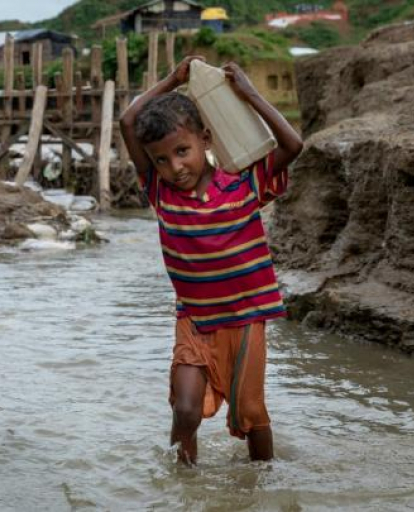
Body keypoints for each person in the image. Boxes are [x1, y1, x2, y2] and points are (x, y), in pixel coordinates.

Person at [119, 56, 303, 465]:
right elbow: (128, 122)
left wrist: (248, 94)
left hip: (245, 320)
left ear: (206, 139)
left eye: (182, 151)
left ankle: (263, 483)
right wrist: (171, 78)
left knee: (251, 414)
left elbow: (293, 144)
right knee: (184, 410)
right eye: (162, 159)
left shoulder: (245, 184)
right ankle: (184, 487)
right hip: (195, 322)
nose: (174, 167)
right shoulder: (159, 192)